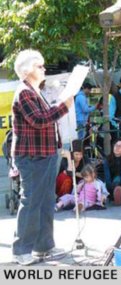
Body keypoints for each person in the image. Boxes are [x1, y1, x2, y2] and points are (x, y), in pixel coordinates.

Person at [11, 49, 73, 265]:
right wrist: (63, 106)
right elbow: (39, 120)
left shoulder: (34, 91)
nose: (44, 68)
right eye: (40, 66)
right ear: (27, 70)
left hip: (45, 154)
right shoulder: (24, 92)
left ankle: (43, 247)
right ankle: (21, 250)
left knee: (45, 201)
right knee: (32, 202)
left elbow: (45, 120)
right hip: (32, 156)